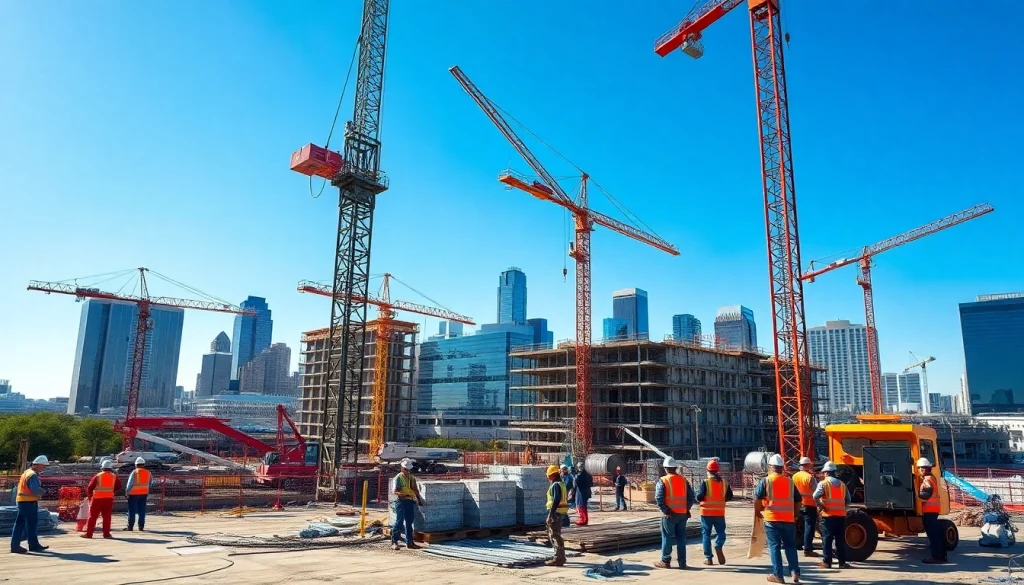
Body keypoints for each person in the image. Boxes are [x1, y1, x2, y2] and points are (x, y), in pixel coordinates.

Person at [754, 453, 802, 584]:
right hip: (788, 520)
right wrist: (796, 515)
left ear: (770, 467)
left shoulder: (766, 481)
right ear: (782, 468)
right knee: (790, 547)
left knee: (774, 547)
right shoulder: (790, 482)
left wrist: (758, 512)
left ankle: (778, 575)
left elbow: (757, 498)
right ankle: (795, 572)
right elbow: (798, 501)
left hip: (772, 519)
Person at [654, 457, 695, 569]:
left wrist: (665, 510)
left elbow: (659, 497)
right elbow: (691, 497)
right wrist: (687, 509)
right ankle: (682, 562)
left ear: (665, 468)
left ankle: (665, 561)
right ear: (675, 468)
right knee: (681, 538)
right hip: (682, 514)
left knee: (667, 537)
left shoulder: (663, 480)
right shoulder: (683, 480)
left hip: (670, 514)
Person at [813, 461, 850, 569]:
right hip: (841, 516)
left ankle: (827, 562)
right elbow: (848, 500)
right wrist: (842, 508)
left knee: (827, 539)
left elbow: (815, 496)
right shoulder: (842, 485)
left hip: (828, 516)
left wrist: (821, 505)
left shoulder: (823, 484)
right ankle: (842, 563)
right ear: (834, 472)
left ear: (826, 473)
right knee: (840, 540)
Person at [696, 458, 733, 565]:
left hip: (706, 513)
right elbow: (729, 496)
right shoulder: (724, 483)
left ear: (708, 470)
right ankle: (718, 544)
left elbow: (700, 497)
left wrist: (697, 496)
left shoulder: (706, 483)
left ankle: (708, 558)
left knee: (706, 535)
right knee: (721, 533)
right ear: (718, 470)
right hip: (720, 514)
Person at [10, 455, 50, 554]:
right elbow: (35, 489)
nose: (44, 468)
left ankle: (15, 545)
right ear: (37, 465)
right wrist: (44, 491)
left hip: (22, 501)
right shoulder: (33, 475)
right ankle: (33, 545)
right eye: (43, 466)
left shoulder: (27, 472)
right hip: (29, 502)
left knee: (20, 523)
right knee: (31, 523)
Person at [917, 458, 947, 564]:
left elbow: (926, 494)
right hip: (933, 510)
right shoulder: (931, 478)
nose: (920, 470)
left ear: (926, 469)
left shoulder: (927, 479)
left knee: (933, 535)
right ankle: (941, 555)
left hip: (930, 510)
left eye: (921, 468)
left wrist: (916, 497)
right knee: (936, 534)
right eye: (919, 468)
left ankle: (937, 557)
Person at [390, 459, 425, 551]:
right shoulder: (397, 478)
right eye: (406, 469)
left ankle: (410, 542)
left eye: (408, 470)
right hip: (401, 502)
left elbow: (415, 490)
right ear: (402, 468)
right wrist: (404, 494)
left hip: (410, 502)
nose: (407, 471)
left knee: (409, 523)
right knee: (399, 522)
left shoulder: (411, 478)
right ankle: (394, 541)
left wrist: (419, 500)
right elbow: (394, 491)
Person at [84, 459, 122, 539]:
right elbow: (119, 486)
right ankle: (106, 534)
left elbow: (90, 487)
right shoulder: (114, 476)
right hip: (108, 499)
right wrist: (112, 490)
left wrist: (89, 496)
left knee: (92, 516)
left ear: (102, 467)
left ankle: (89, 534)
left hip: (97, 499)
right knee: (107, 517)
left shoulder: (98, 476)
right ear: (111, 468)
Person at [545, 464, 568, 567]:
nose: (548, 478)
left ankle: (558, 558)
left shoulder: (555, 485)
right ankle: (561, 556)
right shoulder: (562, 484)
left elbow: (556, 499)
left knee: (554, 535)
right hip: (560, 512)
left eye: (549, 475)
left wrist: (550, 514)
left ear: (553, 475)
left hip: (556, 513)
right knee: (557, 535)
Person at [125, 457, 151, 531]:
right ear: (144, 465)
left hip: (133, 494)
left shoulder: (134, 472)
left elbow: (129, 484)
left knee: (132, 511)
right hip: (144, 494)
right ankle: (141, 526)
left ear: (136, 465)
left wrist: (127, 493)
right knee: (142, 511)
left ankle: (130, 526)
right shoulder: (148, 472)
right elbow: (150, 483)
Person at [573, 461, 593, 526]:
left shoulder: (580, 475)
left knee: (581, 506)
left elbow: (576, 482)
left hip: (581, 492)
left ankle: (583, 520)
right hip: (585, 491)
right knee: (583, 506)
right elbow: (591, 483)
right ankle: (584, 519)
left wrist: (575, 477)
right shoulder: (588, 474)